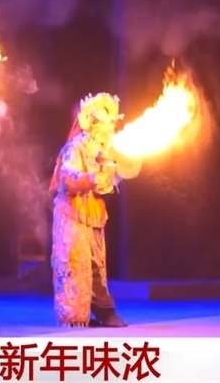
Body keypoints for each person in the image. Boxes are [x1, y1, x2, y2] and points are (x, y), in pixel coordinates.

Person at [48, 93, 142, 328]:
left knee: (97, 265)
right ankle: (73, 316)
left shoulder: (106, 149)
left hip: (94, 213)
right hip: (71, 213)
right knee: (73, 263)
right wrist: (90, 179)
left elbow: (120, 173)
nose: (108, 128)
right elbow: (68, 177)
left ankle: (104, 311)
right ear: (91, 121)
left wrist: (109, 176)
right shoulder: (75, 147)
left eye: (111, 123)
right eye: (103, 122)